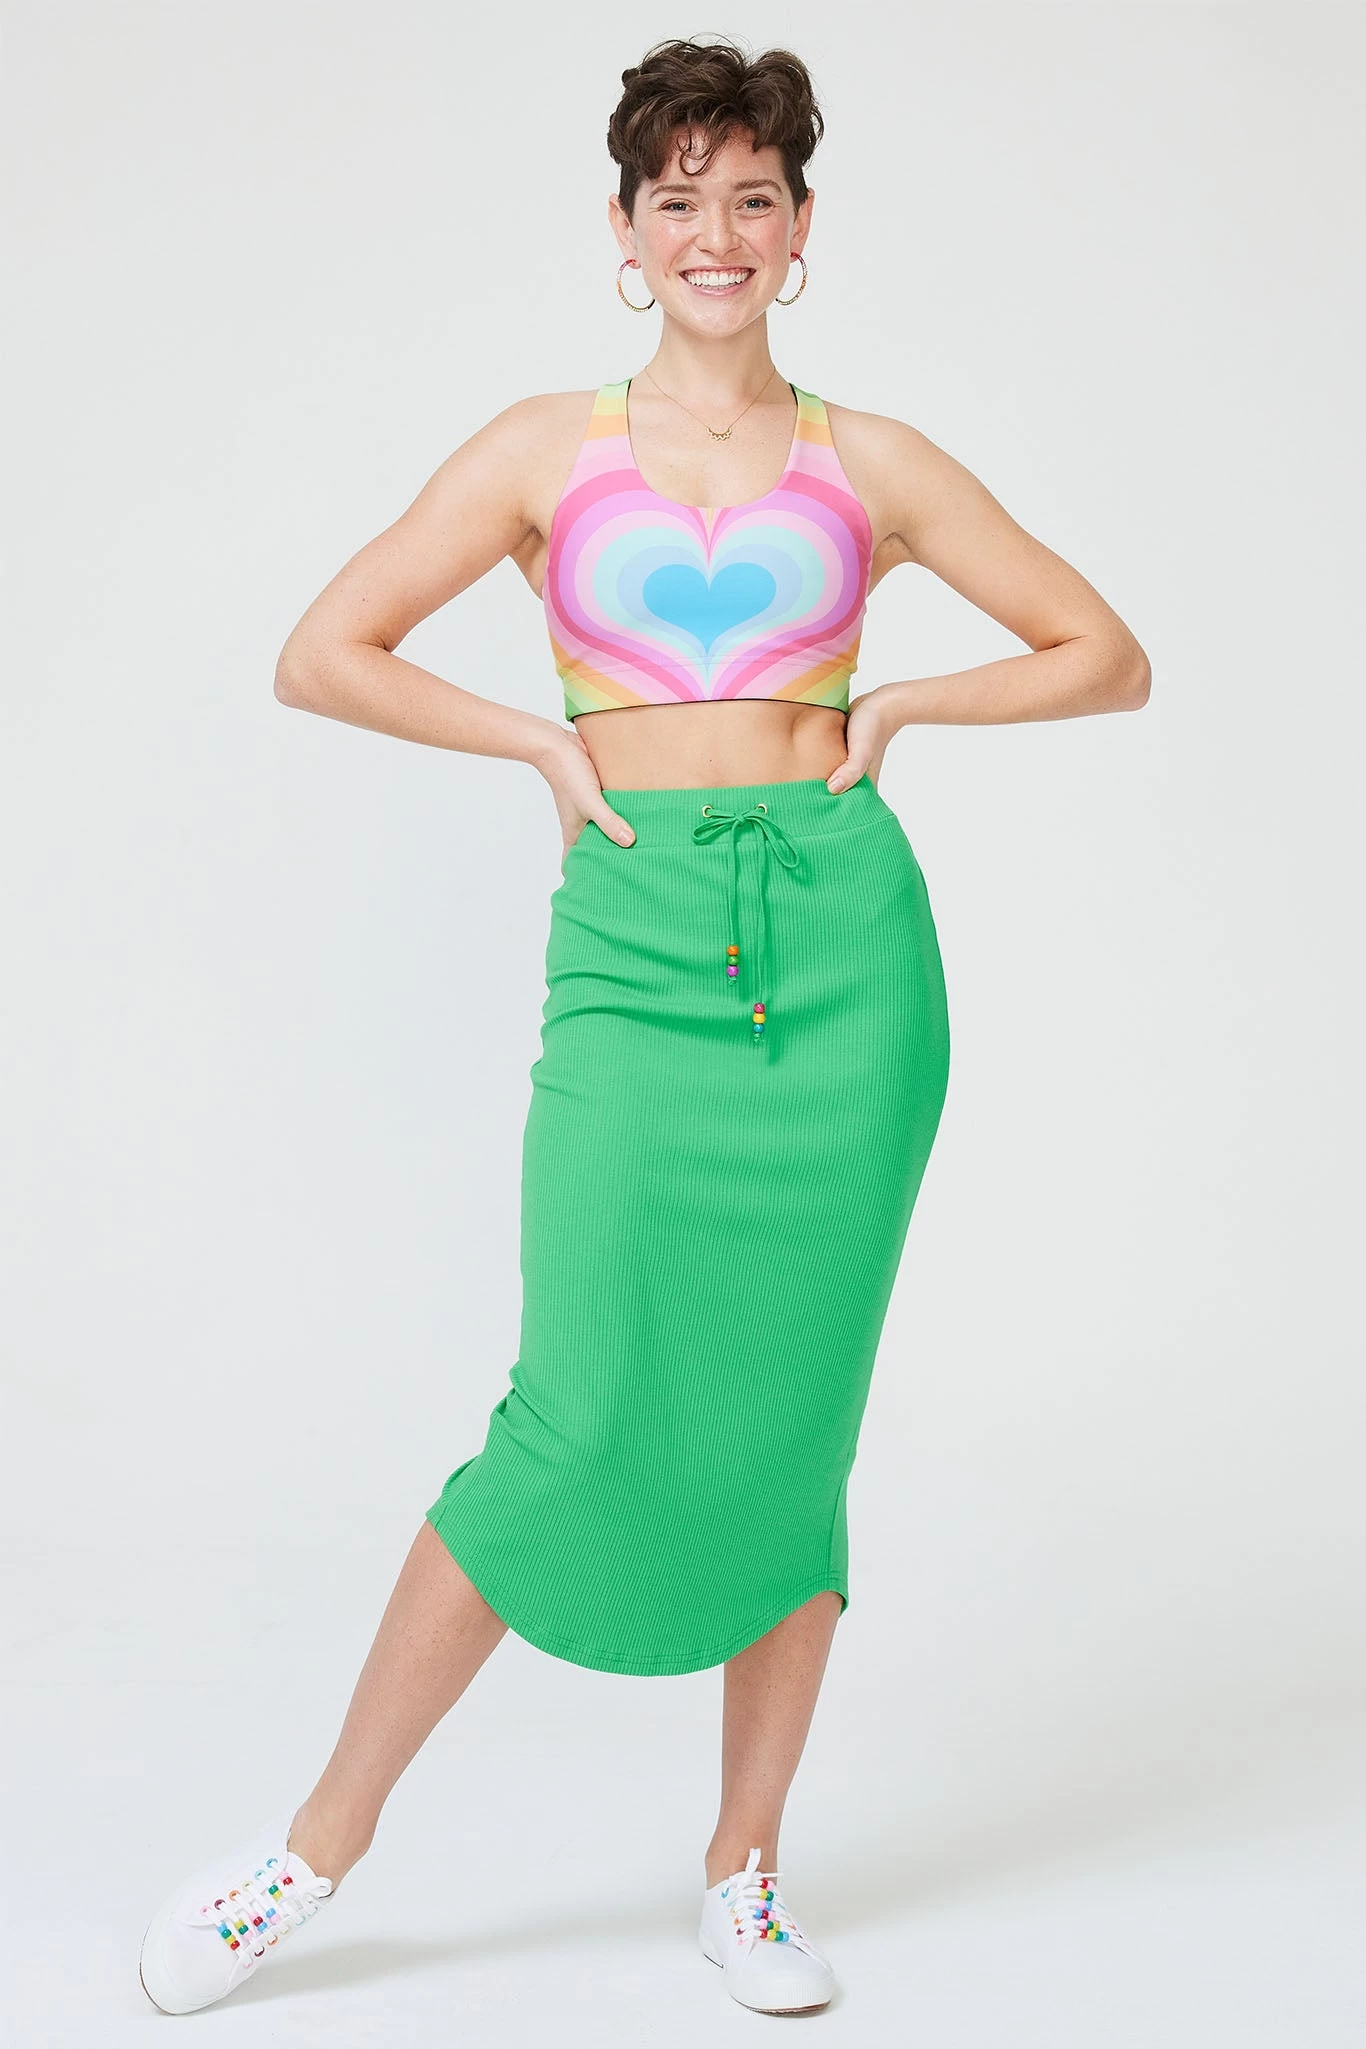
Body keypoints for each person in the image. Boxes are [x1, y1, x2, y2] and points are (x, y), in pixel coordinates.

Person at [138, 33, 1150, 2022]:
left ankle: (741, 1872)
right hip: (632, 938)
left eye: (749, 197)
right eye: (677, 198)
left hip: (842, 957)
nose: (714, 232)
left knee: (792, 1422)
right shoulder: (544, 447)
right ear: (623, 231)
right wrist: (538, 741)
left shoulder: (873, 459)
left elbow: (1103, 655)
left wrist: (899, 705)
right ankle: (310, 1852)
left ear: (798, 227)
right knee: (570, 1408)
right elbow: (321, 652)